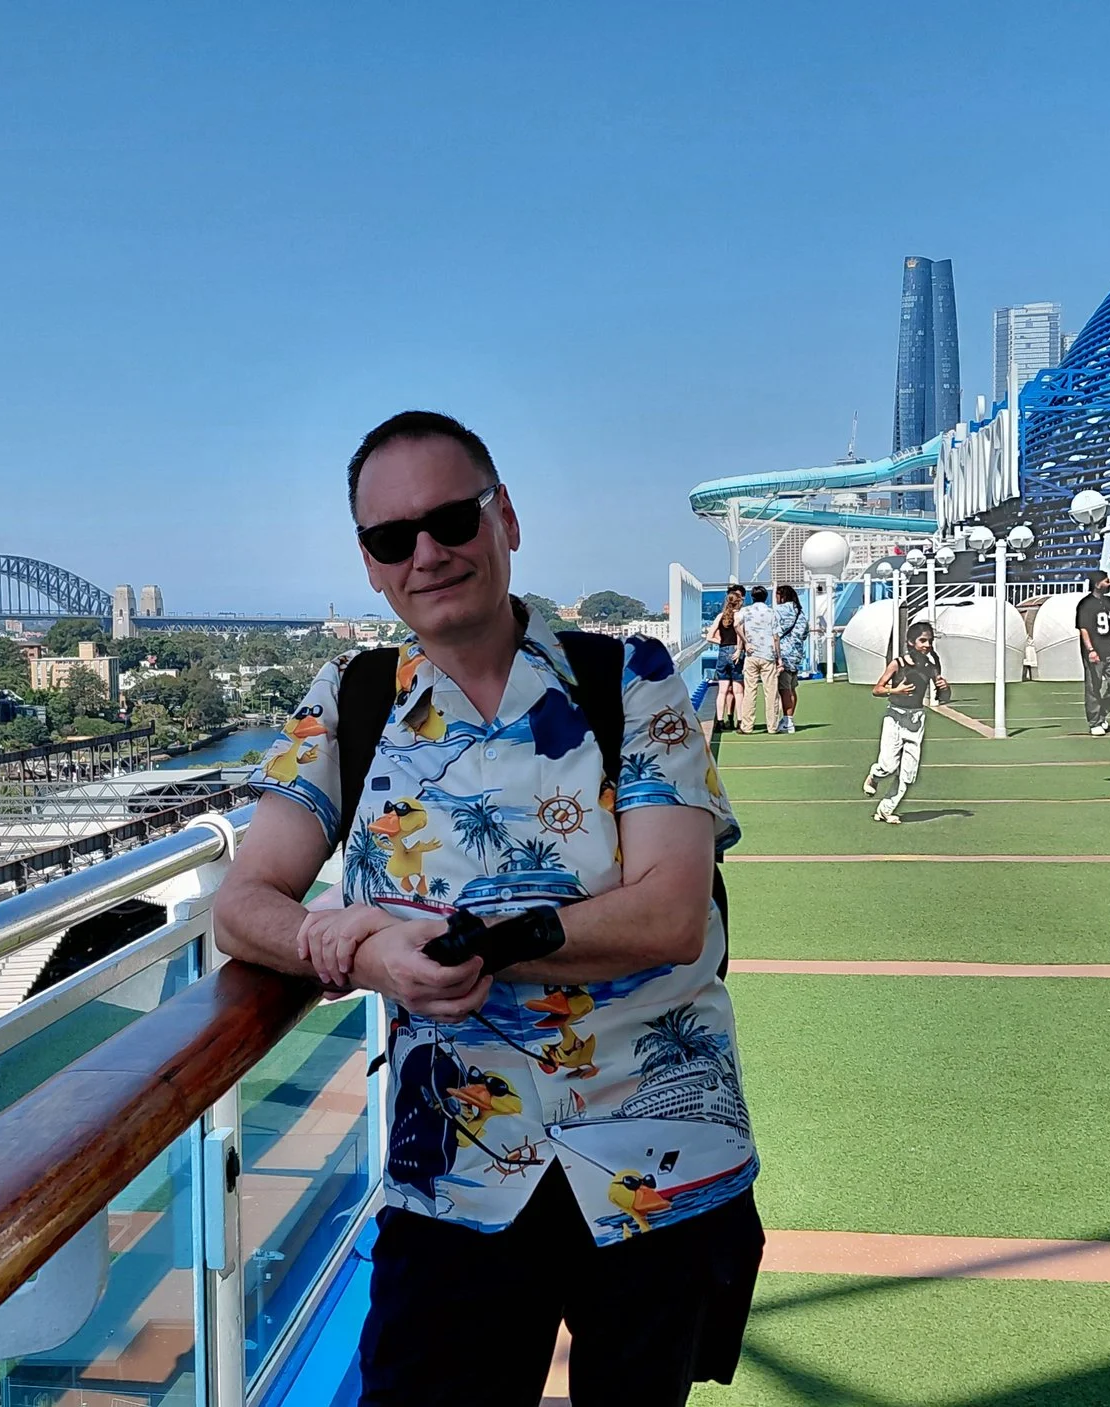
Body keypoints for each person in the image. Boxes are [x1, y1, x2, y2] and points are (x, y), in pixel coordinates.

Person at [216, 410, 763, 1407]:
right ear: (371, 564)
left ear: (504, 517)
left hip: (657, 1163)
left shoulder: (627, 680)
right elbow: (242, 905)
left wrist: (453, 944)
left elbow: (670, 916)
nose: (426, 553)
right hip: (453, 1177)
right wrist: (363, 955)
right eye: (393, 538)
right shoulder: (352, 698)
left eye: (452, 520)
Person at [865, 620, 947, 824]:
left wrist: (944, 687)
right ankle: (874, 776)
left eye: (930, 641)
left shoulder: (930, 666)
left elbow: (944, 697)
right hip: (895, 717)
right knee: (887, 766)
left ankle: (885, 810)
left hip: (916, 720)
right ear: (911, 642)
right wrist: (895, 690)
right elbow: (877, 689)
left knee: (908, 773)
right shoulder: (898, 664)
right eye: (922, 641)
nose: (927, 645)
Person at [1076, 571, 1110, 736]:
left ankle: (1102, 713)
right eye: (1106, 581)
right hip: (1095, 651)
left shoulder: (1109, 601)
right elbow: (1084, 629)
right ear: (1097, 584)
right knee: (1094, 686)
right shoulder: (1086, 604)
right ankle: (1095, 721)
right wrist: (1091, 650)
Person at [735, 586, 781, 735]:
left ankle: (747, 726)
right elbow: (776, 636)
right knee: (771, 692)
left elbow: (736, 625)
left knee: (750, 691)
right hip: (768, 654)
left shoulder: (746, 611)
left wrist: (745, 642)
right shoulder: (771, 612)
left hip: (752, 654)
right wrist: (779, 657)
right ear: (765, 597)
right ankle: (772, 726)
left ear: (752, 597)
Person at [703, 585, 745, 734]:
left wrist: (721, 641)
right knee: (738, 691)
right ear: (739, 602)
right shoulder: (740, 617)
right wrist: (738, 649)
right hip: (736, 653)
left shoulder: (720, 617)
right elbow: (741, 636)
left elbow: (709, 637)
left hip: (722, 652)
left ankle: (720, 722)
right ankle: (740, 721)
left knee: (722, 691)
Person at [771, 584, 806, 733]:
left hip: (783, 654)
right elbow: (805, 633)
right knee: (792, 688)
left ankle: (787, 722)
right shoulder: (800, 612)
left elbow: (773, 631)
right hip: (796, 654)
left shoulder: (778, 611)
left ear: (782, 596)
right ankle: (789, 719)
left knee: (784, 689)